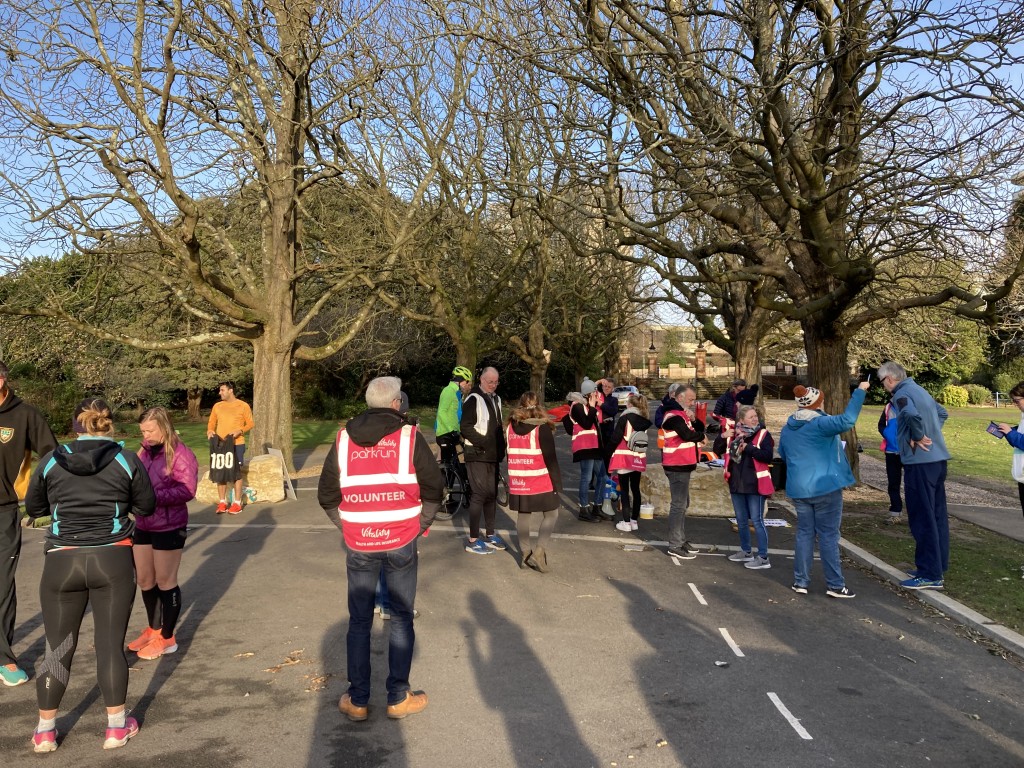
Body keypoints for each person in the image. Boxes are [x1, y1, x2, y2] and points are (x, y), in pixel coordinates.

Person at [24, 398, 156, 752]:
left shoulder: (51, 459)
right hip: (111, 559)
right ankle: (115, 727)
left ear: (75, 424)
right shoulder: (127, 460)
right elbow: (147, 506)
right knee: (109, 646)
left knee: (58, 647)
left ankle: (45, 731)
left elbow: (35, 508)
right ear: (109, 423)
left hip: (62, 561)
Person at [317, 377, 443, 721]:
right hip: (402, 538)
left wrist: (347, 526)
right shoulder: (409, 436)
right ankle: (398, 696)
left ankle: (357, 700)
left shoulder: (343, 439)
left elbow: (326, 495)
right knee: (401, 618)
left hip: (360, 542)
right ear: (395, 404)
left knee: (358, 621)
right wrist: (422, 524)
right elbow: (435, 486)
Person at [779, 381, 870, 598]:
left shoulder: (788, 427)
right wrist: (860, 391)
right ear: (818, 403)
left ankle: (800, 581)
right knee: (828, 535)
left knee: (804, 534)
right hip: (825, 487)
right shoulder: (821, 423)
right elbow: (848, 420)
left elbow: (783, 454)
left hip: (799, 489)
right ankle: (835, 584)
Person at [0, 360, 58, 688]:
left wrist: (37, 496)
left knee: (1, 586)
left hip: (4, 512)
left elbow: (52, 456)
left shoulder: (24, 415)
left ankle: (3, 657)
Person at [128, 407, 199, 660]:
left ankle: (168, 638)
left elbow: (187, 490)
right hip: (144, 523)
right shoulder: (144, 452)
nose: (145, 435)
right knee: (145, 580)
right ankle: (154, 628)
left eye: (150, 430)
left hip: (169, 525)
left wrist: (152, 498)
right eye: (143, 431)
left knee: (166, 581)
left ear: (164, 426)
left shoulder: (181, 454)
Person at [878, 361, 951, 590]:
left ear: (890, 379)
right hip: (937, 461)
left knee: (922, 517)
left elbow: (909, 413)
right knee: (937, 515)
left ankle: (930, 574)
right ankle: (936, 566)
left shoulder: (902, 394)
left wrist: (918, 435)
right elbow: (942, 412)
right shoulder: (920, 390)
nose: (883, 387)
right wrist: (928, 433)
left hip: (919, 463)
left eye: (882, 382)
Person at [506, 392, 563, 571]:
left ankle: (525, 553)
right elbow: (550, 459)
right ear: (539, 406)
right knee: (552, 514)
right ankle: (539, 551)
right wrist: (557, 483)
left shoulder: (510, 427)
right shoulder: (542, 428)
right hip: (540, 480)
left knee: (523, 516)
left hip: (518, 480)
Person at [460, 366, 507, 554]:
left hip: (492, 456)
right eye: (490, 381)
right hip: (477, 454)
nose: (493, 385)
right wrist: (483, 443)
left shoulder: (497, 399)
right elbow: (465, 427)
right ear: (481, 379)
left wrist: (500, 448)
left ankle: (490, 534)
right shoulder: (473, 399)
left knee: (491, 495)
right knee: (479, 495)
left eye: (496, 382)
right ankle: (473, 540)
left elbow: (498, 426)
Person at [724, 405, 775, 570]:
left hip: (755, 484)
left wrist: (750, 448)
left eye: (755, 416)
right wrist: (723, 437)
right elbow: (720, 450)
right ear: (741, 420)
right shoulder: (735, 435)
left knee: (757, 520)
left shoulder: (763, 435)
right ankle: (746, 551)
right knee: (741, 520)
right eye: (751, 417)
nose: (755, 419)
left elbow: (767, 456)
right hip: (737, 483)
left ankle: (763, 556)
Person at [661, 384, 706, 559]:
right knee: (678, 505)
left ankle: (680, 539)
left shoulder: (682, 415)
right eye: (690, 399)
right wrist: (701, 437)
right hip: (676, 465)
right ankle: (675, 544)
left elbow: (699, 428)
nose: (693, 402)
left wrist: (694, 419)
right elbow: (687, 435)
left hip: (684, 464)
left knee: (683, 504)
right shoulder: (672, 415)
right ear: (679, 398)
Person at [206, 381, 254, 514]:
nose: (219, 393)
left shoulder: (243, 406)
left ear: (230, 390)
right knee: (220, 472)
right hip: (220, 444)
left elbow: (250, 423)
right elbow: (212, 422)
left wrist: (240, 430)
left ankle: (237, 503)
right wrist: (210, 431)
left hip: (237, 443)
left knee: (236, 473)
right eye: (220, 390)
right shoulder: (217, 406)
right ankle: (222, 502)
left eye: (222, 390)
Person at [609, 393, 652, 531]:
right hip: (638, 457)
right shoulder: (644, 419)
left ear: (630, 405)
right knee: (635, 489)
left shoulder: (625, 418)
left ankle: (626, 522)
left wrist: (607, 453)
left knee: (624, 490)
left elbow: (615, 438)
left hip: (623, 456)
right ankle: (634, 521)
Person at [563, 378, 605, 523]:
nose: (597, 394)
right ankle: (584, 508)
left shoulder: (588, 406)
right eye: (595, 392)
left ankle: (597, 506)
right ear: (588, 393)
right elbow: (586, 424)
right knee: (586, 478)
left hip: (595, 446)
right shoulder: (577, 406)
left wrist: (595, 407)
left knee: (602, 476)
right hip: (584, 446)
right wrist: (593, 407)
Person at [435, 366, 473, 475]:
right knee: (447, 466)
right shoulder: (448, 391)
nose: (467, 385)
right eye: (467, 382)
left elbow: (457, 414)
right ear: (461, 381)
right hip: (445, 433)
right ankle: (445, 489)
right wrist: (451, 430)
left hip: (452, 432)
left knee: (454, 464)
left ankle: (457, 486)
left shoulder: (457, 392)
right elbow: (442, 412)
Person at [878, 397, 904, 524]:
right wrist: (887, 433)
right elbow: (881, 424)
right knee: (893, 483)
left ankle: (917, 515)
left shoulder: (910, 404)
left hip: (908, 452)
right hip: (891, 451)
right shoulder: (888, 407)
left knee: (913, 484)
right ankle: (895, 513)